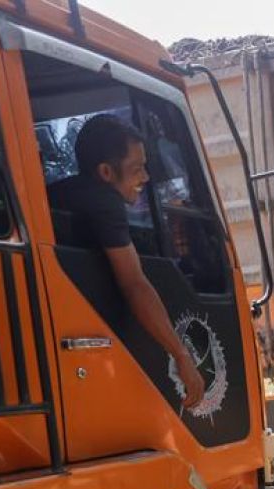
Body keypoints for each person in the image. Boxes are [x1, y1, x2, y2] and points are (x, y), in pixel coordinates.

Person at [47, 114, 204, 409]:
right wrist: (181, 356)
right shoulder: (104, 202)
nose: (145, 178)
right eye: (137, 169)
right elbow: (134, 283)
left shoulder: (64, 193)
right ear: (106, 172)